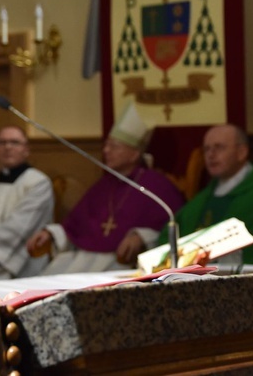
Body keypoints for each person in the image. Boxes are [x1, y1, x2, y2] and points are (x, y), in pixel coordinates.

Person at [26, 103, 185, 273]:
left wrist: (142, 236)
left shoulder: (156, 186)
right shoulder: (103, 185)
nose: (106, 151)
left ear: (134, 154)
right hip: (82, 259)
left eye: (114, 146)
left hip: (122, 266)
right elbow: (74, 226)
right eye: (106, 145)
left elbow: (173, 228)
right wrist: (51, 233)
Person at [158, 124, 253, 267]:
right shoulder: (203, 198)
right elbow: (169, 238)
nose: (211, 155)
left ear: (241, 152)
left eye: (219, 147)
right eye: (207, 149)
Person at [0, 126, 54, 280]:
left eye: (14, 142)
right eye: (2, 142)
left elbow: (18, 228)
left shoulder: (38, 182)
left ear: (26, 149)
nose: (7, 147)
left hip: (16, 261)